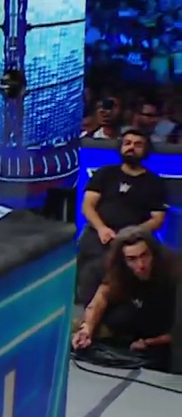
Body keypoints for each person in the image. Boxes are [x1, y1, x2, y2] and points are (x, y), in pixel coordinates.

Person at [74, 129, 167, 305]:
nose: (131, 147)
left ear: (146, 149)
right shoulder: (105, 173)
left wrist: (131, 234)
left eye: (138, 144)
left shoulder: (154, 182)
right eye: (127, 143)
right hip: (98, 236)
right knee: (88, 282)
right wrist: (101, 228)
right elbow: (87, 206)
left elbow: (158, 219)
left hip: (132, 242)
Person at [73, 233, 175, 371]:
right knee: (71, 334)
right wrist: (87, 330)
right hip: (123, 332)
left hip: (160, 340)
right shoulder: (120, 274)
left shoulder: (171, 275)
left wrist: (148, 343)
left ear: (154, 254)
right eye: (132, 259)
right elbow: (99, 299)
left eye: (144, 255)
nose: (141, 264)